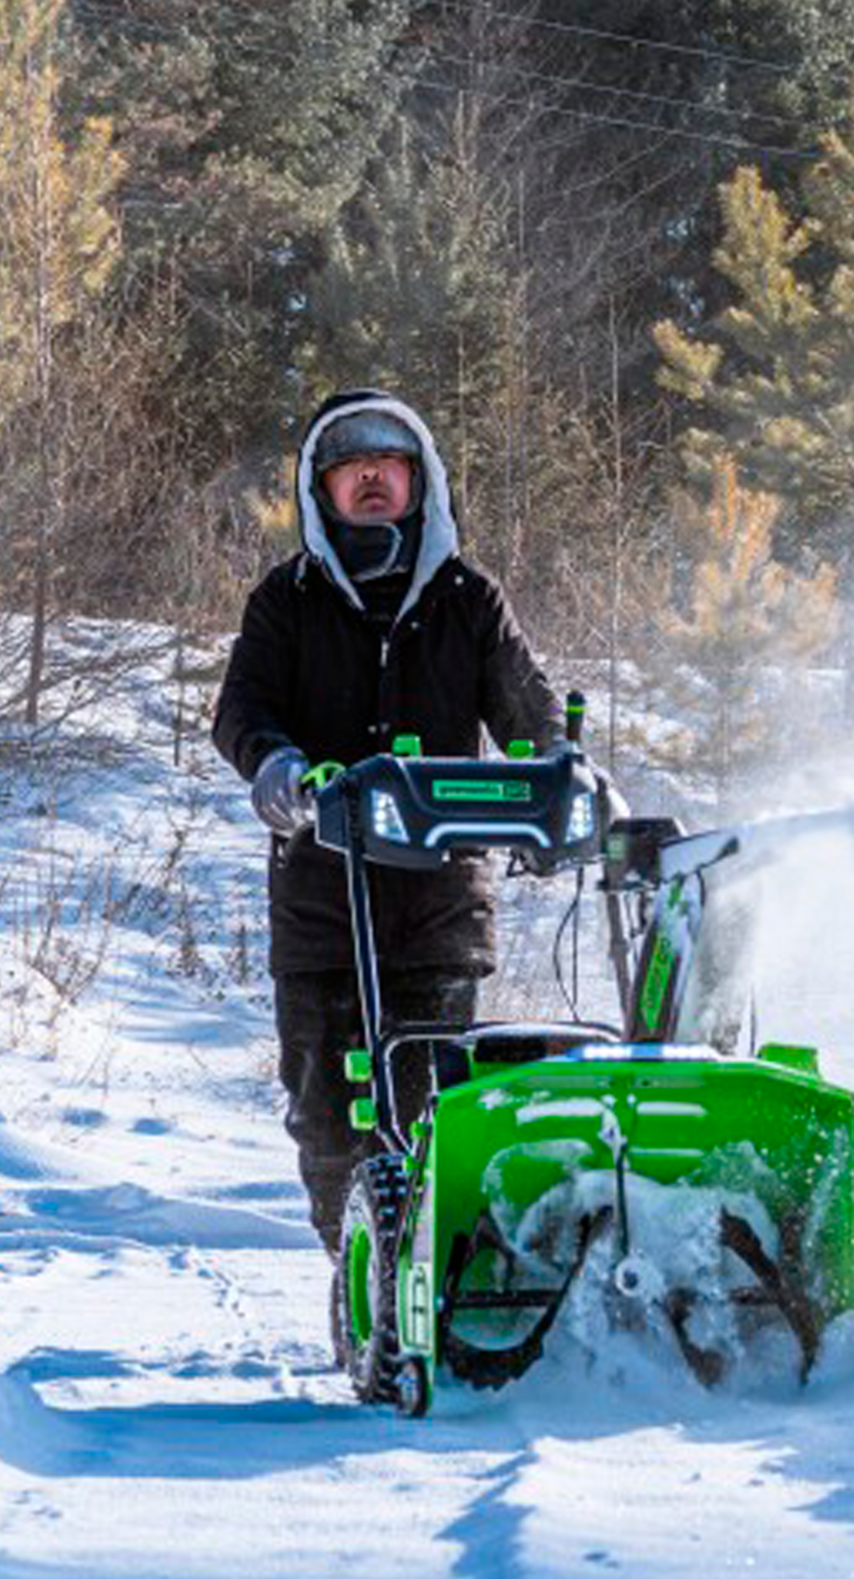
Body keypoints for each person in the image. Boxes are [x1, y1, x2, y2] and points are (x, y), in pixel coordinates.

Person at [213, 388, 564, 1257]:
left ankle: (438, 1280)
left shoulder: (467, 599)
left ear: (420, 482)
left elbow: (530, 716)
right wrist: (279, 768)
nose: (372, 480)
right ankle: (357, 1270)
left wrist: (557, 777)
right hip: (322, 908)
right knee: (330, 1120)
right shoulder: (286, 602)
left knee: (434, 1110)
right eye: (352, 468)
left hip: (438, 905)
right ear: (321, 490)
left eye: (389, 466)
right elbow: (240, 712)